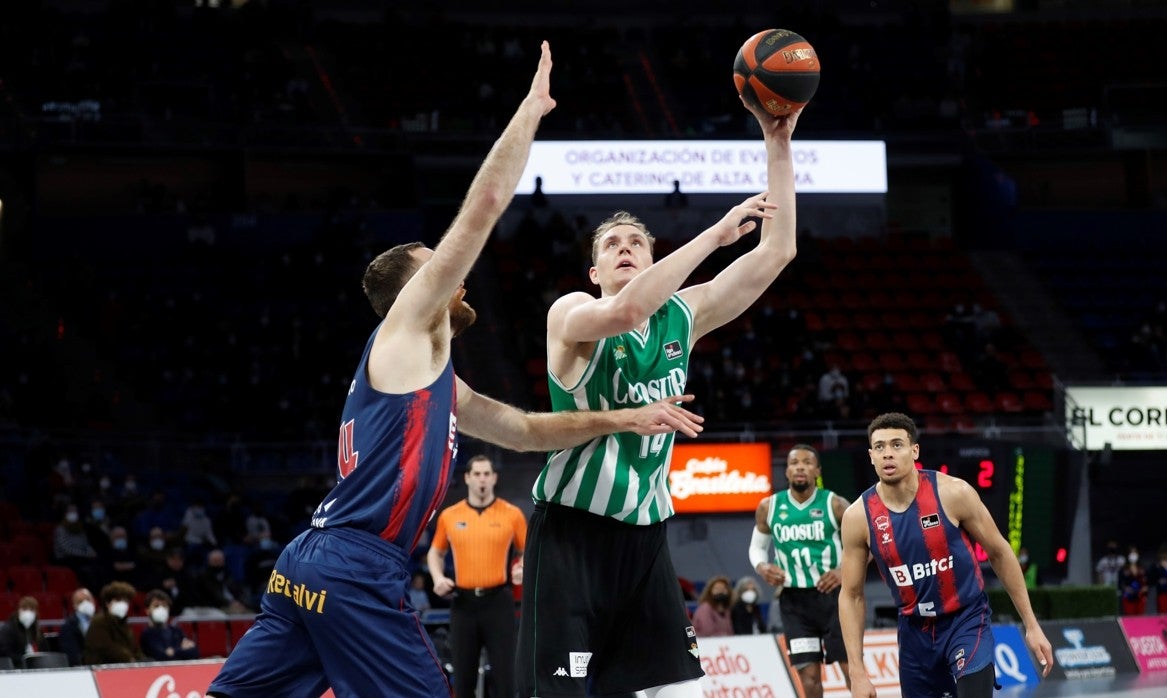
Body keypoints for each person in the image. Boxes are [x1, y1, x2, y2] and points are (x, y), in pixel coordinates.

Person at [206, 42, 704, 698]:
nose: (454, 272)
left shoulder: (434, 378)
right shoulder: (407, 326)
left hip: (309, 565)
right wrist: (530, 112)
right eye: (434, 262)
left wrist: (624, 418)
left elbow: (525, 432)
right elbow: (487, 202)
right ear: (415, 288)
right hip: (358, 567)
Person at [519, 90, 800, 698]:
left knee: (672, 690)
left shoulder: (683, 314)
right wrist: (715, 234)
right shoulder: (570, 315)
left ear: (652, 256)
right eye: (612, 245)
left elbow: (777, 250)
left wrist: (777, 143)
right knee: (561, 690)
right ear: (593, 271)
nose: (625, 248)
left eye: (636, 243)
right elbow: (629, 309)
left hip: (646, 539)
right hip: (572, 534)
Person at [839, 413, 1053, 698]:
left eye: (896, 445)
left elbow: (1000, 552)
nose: (887, 453)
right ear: (871, 456)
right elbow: (851, 595)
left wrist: (1031, 625)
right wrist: (857, 672)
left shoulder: (954, 493)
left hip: (966, 619)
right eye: (879, 447)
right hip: (914, 632)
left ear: (915, 450)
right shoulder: (858, 517)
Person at [750, 444, 852, 697]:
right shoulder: (769, 507)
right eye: (795, 462)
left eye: (807, 462)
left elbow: (867, 544)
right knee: (809, 680)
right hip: (794, 603)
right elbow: (757, 549)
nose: (800, 467)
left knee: (852, 672)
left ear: (817, 470)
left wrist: (842, 571)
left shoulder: (835, 504)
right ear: (786, 471)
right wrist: (762, 567)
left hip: (834, 599)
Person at [427, 454, 527, 698]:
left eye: (486, 474)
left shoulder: (512, 514)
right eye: (477, 474)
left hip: (499, 603)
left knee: (506, 680)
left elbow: (528, 551)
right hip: (463, 605)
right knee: (463, 682)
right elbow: (435, 553)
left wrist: (522, 568)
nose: (482, 479)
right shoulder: (450, 515)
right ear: (467, 478)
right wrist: (438, 578)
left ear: (494, 478)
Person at [84, 581, 142, 664]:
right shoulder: (98, 622)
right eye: (118, 600)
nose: (123, 604)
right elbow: (107, 647)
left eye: (126, 601)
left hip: (123, 667)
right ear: (107, 603)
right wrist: (130, 658)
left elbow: (134, 647)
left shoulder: (124, 623)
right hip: (102, 668)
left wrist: (141, 659)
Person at [140, 589, 199, 661]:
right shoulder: (147, 634)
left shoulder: (176, 631)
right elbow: (161, 656)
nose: (161, 609)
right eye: (156, 606)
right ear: (147, 610)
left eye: (164, 606)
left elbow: (194, 652)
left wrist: (173, 651)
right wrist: (181, 650)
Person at [0, 596, 44, 666]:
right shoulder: (8, 629)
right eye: (25, 609)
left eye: (31, 610)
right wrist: (23, 659)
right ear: (19, 610)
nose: (28, 613)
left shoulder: (37, 630)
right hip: (16, 668)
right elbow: (4, 652)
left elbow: (44, 649)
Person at [59, 587, 96, 666]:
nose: (86, 604)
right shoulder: (68, 626)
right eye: (80, 602)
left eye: (88, 600)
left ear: (93, 601)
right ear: (74, 605)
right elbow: (72, 655)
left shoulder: (102, 622)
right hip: (81, 667)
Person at [1119, 546, 1148, 616]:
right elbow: (1120, 584)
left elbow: (1146, 583)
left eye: (1135, 552)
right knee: (1130, 619)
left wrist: (1145, 592)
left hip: (1140, 597)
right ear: (1128, 555)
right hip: (1128, 598)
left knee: (1140, 619)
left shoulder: (1142, 568)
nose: (1133, 555)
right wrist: (1125, 589)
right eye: (1131, 553)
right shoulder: (1123, 569)